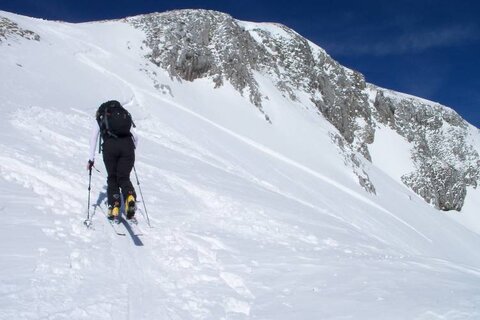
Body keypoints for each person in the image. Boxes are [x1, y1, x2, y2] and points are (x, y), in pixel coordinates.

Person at [87, 100, 138, 221]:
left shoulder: (102, 117)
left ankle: (114, 206)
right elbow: (136, 137)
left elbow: (93, 138)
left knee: (112, 177)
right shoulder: (123, 116)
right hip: (128, 147)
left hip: (110, 148)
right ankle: (129, 195)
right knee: (124, 177)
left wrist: (91, 159)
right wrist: (132, 149)